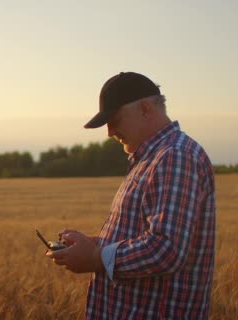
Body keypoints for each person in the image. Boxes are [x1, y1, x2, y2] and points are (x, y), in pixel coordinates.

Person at [46, 72, 216, 319]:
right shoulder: (153, 157)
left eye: (114, 120)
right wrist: (95, 243)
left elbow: (166, 249)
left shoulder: (174, 156)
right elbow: (144, 236)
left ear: (145, 109)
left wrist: (95, 258)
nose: (109, 132)